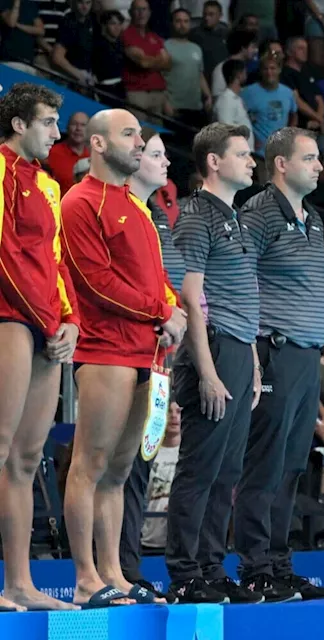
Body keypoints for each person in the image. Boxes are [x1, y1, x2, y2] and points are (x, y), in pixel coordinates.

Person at [61, 109, 184, 609]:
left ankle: (114, 573)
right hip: (105, 349)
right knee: (89, 465)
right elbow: (93, 281)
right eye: (129, 134)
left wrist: (172, 308)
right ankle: (86, 578)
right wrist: (162, 309)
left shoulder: (135, 205)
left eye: (140, 134)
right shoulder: (80, 202)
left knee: (119, 471)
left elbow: (157, 279)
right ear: (97, 143)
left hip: (147, 353)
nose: (139, 143)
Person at [232, 128, 324, 601]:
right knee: (265, 464)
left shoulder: (313, 217)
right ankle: (255, 567)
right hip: (273, 352)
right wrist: (252, 355)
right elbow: (237, 279)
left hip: (307, 357)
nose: (319, 166)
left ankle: (278, 563)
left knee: (293, 465)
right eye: (310, 159)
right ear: (281, 164)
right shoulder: (257, 213)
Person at [165, 123, 262, 605]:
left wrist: (253, 361)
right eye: (243, 154)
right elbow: (191, 296)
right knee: (201, 468)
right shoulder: (196, 215)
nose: (252, 161)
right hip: (214, 349)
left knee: (227, 471)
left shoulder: (236, 217)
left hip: (239, 350)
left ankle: (209, 567)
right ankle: (184, 572)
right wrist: (206, 370)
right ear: (213, 162)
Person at [0, 84, 80, 613]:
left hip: (47, 326)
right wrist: (40, 316)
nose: (57, 132)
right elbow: (4, 253)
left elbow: (55, 261)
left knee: (27, 459)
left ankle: (19, 584)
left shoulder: (49, 185)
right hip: (9, 317)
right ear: (18, 125)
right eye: (49, 122)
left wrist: (69, 318)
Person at [119, 129, 185, 594]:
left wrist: (172, 318)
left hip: (159, 358)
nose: (163, 162)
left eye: (163, 153)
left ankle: (129, 568)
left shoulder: (157, 215)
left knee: (140, 461)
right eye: (154, 154)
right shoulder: (116, 208)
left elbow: (163, 282)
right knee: (116, 467)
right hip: (119, 355)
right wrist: (161, 313)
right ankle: (113, 571)